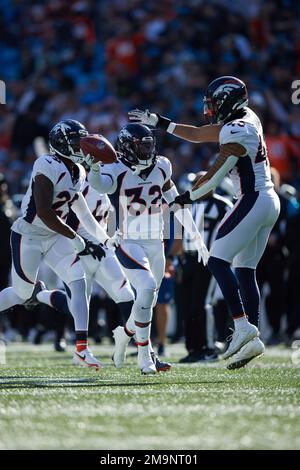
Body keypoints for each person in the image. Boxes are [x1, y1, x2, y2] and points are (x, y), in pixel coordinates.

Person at [129, 75, 281, 369]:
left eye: (213, 104)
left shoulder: (237, 131)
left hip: (253, 199)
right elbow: (200, 134)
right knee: (245, 270)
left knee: (216, 261)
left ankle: (243, 327)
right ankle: (252, 338)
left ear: (226, 102)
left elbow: (214, 176)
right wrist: (162, 123)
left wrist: (184, 198)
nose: (209, 110)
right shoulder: (247, 117)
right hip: (264, 200)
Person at [88, 123, 208, 374]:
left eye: (148, 145)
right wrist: (95, 166)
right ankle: (146, 358)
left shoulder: (162, 165)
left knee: (148, 301)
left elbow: (175, 201)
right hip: (129, 240)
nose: (146, 150)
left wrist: (194, 235)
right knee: (144, 289)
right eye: (141, 146)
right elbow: (100, 186)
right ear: (127, 147)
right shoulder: (116, 168)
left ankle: (124, 335)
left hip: (156, 242)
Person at [0, 119, 119, 370]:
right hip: (30, 235)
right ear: (61, 143)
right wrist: (76, 240)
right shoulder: (46, 163)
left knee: (78, 282)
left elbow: (83, 213)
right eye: (77, 140)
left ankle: (82, 349)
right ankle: (35, 294)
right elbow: (44, 211)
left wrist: (105, 239)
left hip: (55, 237)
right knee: (21, 294)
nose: (82, 145)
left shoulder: (79, 170)